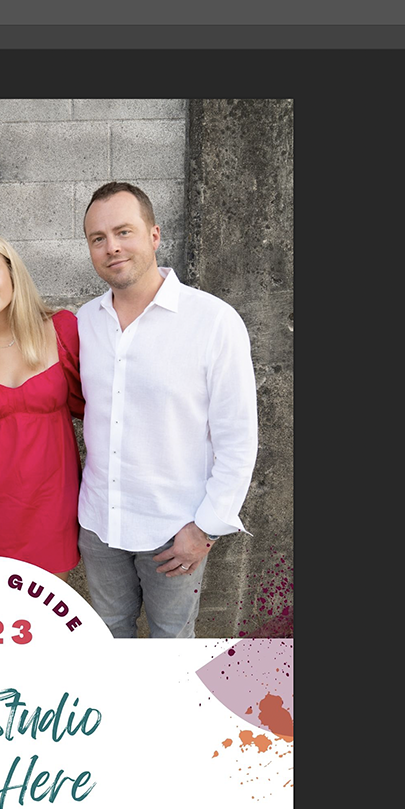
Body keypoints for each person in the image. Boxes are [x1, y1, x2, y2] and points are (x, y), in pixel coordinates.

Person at [76, 182, 258, 638]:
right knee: (107, 640)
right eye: (98, 238)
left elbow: (238, 439)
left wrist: (206, 530)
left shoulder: (213, 321)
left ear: (154, 235)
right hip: (100, 525)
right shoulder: (83, 323)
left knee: (172, 648)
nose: (112, 247)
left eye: (124, 231)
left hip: (175, 531)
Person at [0, 232, 85, 578]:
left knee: (50, 611)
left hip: (55, 500)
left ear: (11, 272)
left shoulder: (62, 329)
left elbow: (102, 409)